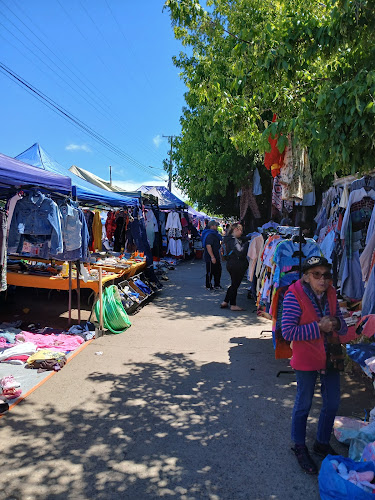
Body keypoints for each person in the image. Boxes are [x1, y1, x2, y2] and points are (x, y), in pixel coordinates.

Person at [281, 256, 348, 475]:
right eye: (316, 274)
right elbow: (288, 332)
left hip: (330, 356)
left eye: (326, 275)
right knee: (304, 402)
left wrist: (336, 323)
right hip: (307, 358)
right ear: (307, 277)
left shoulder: (330, 293)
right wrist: (319, 327)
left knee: (332, 403)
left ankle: (321, 442)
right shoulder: (294, 295)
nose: (322, 279)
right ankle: (299, 446)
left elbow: (341, 323)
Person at [220, 223, 249, 311]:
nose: (241, 233)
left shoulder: (227, 239)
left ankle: (225, 301)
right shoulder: (233, 241)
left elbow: (242, 239)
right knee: (235, 285)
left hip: (231, 264)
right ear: (236, 229)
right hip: (237, 265)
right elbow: (240, 252)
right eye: (240, 230)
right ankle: (233, 305)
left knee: (234, 284)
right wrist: (247, 244)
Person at [202, 220, 222, 290]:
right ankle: (208, 285)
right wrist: (212, 257)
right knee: (210, 271)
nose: (217, 227)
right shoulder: (210, 235)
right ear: (212, 226)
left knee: (218, 271)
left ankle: (217, 285)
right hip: (210, 256)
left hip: (215, 255)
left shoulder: (214, 234)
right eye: (216, 225)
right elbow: (208, 246)